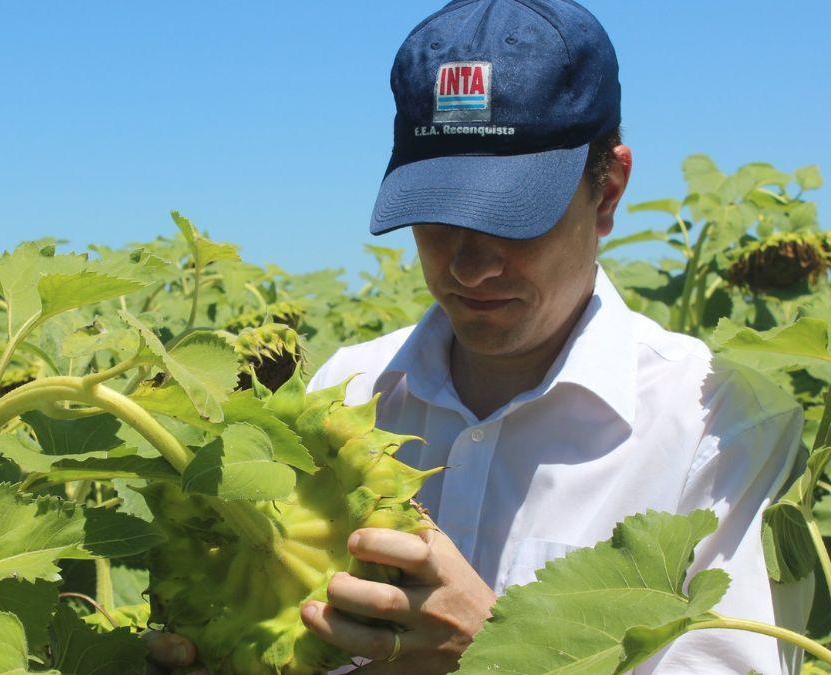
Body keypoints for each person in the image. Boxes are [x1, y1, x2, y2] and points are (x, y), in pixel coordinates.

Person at [151, 0, 810, 672]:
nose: (468, 264)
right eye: (436, 217)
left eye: (514, 216)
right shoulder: (345, 395)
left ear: (607, 190)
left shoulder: (717, 431)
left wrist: (493, 650)